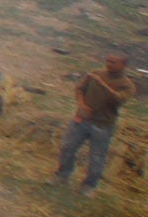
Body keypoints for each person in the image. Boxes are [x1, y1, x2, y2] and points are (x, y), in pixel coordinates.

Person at [55, 55, 134, 194]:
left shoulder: (127, 85)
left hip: (102, 125)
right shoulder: (95, 74)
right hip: (82, 120)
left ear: (123, 65)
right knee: (67, 147)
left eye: (113, 62)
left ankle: (89, 185)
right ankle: (62, 176)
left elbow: (118, 99)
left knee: (97, 157)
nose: (109, 64)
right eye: (108, 61)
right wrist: (81, 104)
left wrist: (102, 84)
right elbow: (79, 88)